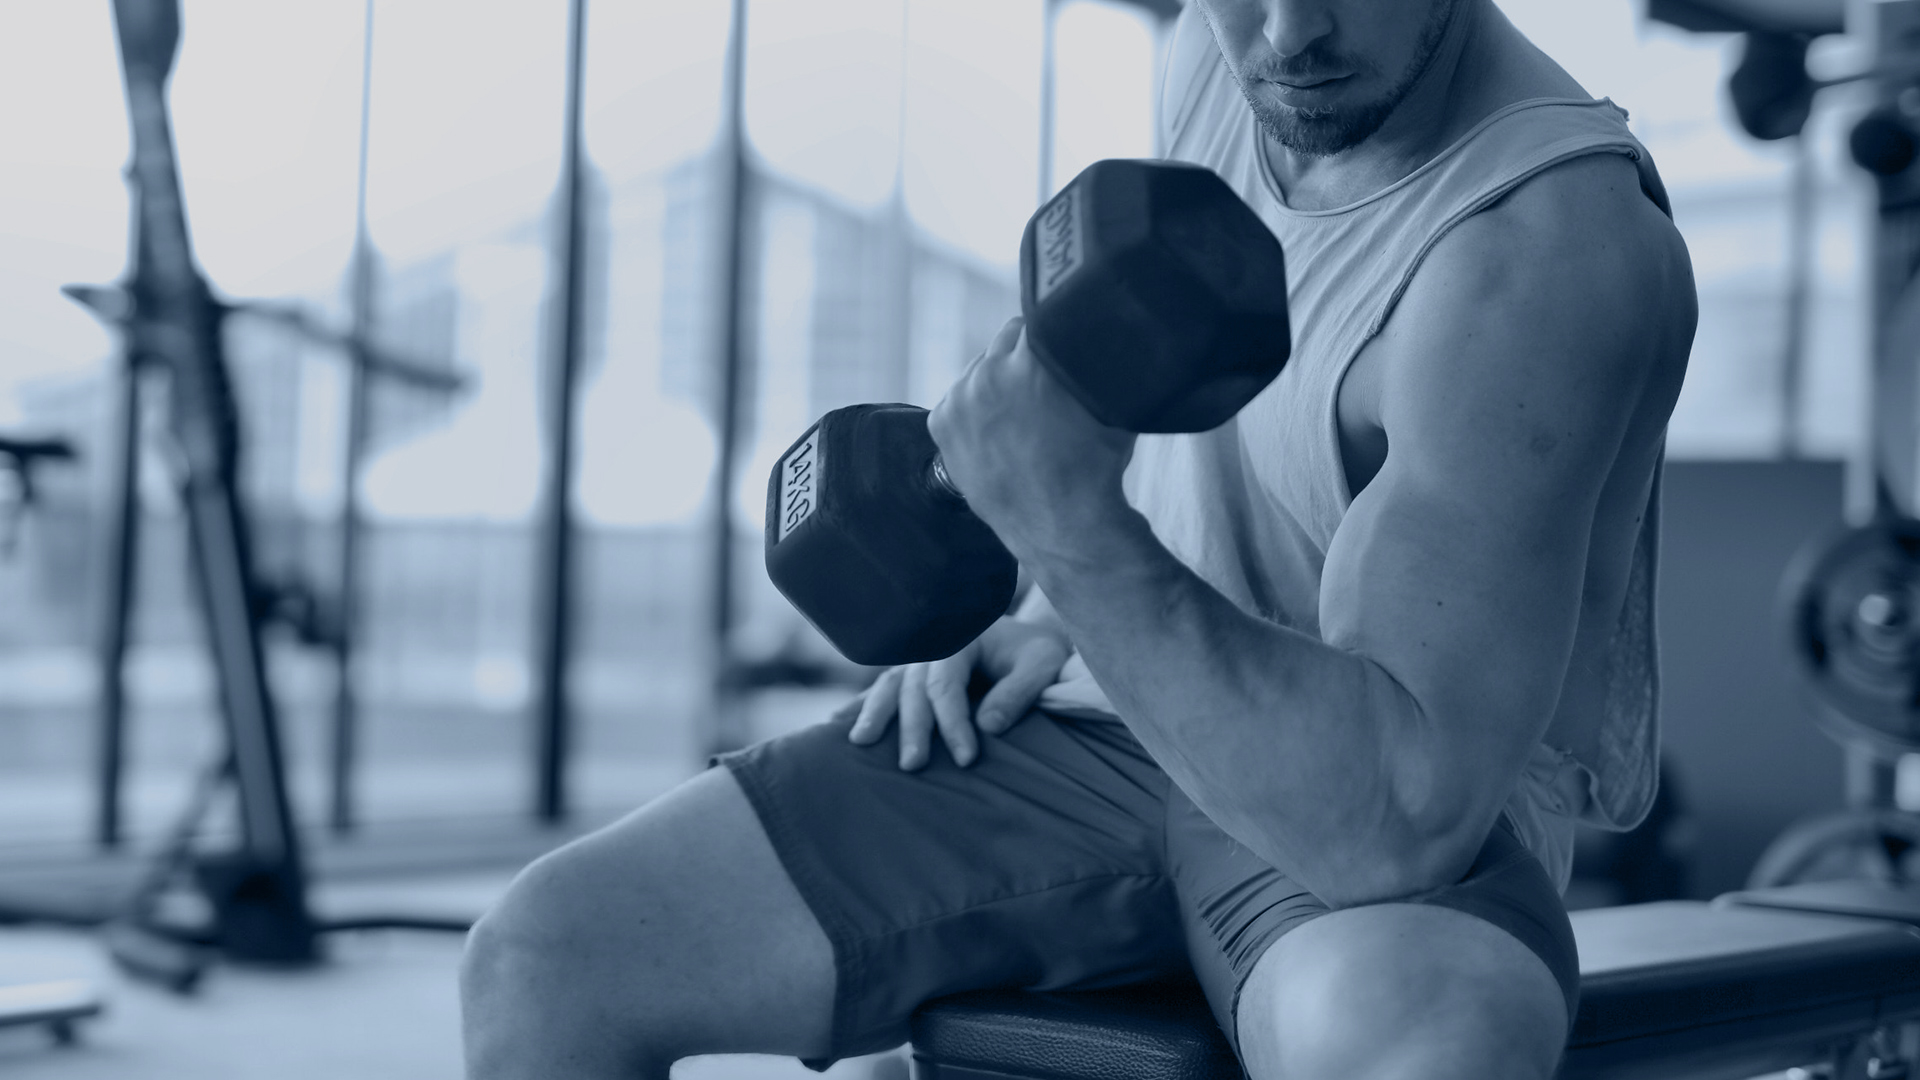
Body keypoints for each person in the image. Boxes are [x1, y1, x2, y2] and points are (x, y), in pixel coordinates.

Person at [460, 0, 1696, 1077]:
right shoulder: (1225, 64)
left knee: (1432, 1042)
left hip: (1367, 799)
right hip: (1113, 718)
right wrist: (1051, 613)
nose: (1288, 33)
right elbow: (1192, 421)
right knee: (545, 957)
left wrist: (1065, 532)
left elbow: (1396, 816)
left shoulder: (1545, 250)